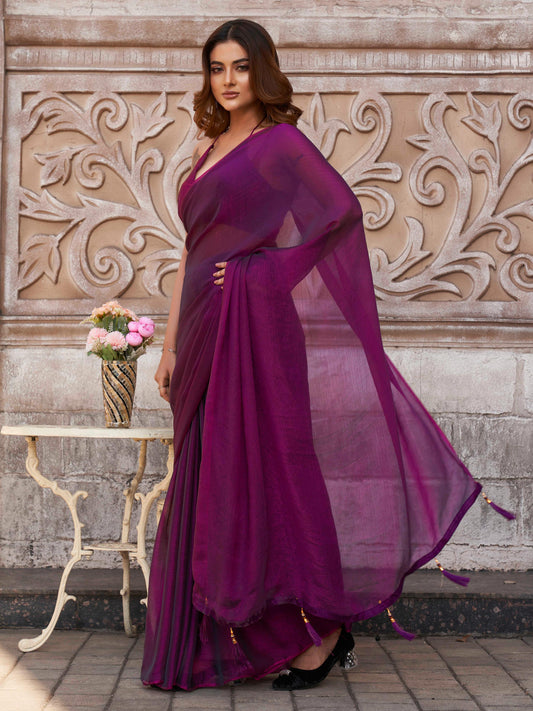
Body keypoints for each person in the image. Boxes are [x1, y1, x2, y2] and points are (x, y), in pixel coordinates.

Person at [141, 18, 486, 692]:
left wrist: (263, 271)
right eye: (217, 67)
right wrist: (171, 344)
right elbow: (192, 251)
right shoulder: (208, 148)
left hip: (254, 331)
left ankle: (322, 628)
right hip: (206, 330)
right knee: (211, 475)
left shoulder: (280, 144)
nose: (228, 79)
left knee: (278, 469)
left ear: (262, 70)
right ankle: (233, 629)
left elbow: (339, 214)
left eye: (241, 66)